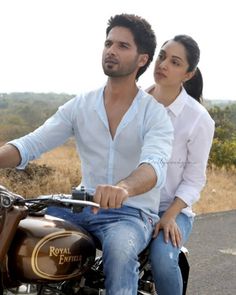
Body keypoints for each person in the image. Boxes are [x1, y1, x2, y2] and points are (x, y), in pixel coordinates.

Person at [0, 14, 174, 295]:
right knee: (22, 235)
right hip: (78, 206)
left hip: (130, 214)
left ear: (142, 59)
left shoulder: (154, 114)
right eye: (108, 43)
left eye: (122, 46)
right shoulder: (81, 105)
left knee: (119, 255)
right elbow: (31, 143)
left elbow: (154, 166)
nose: (111, 50)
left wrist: (123, 188)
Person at [146, 34, 215, 295]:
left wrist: (169, 215)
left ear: (188, 74)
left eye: (174, 62)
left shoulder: (199, 119)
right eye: (161, 56)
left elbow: (194, 179)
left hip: (173, 209)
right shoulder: (136, 102)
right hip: (132, 205)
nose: (163, 64)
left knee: (163, 259)